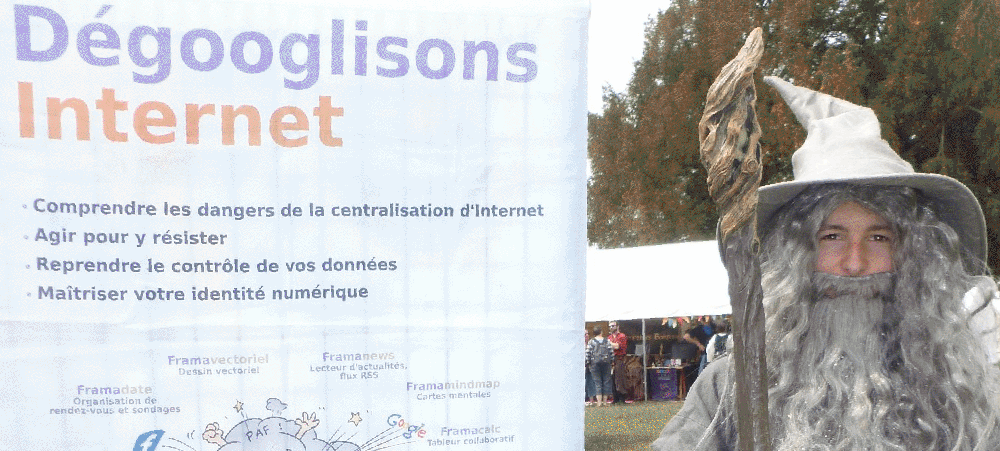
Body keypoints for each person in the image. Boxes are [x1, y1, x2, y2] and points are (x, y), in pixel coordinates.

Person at [652, 77, 1000, 450]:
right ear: (793, 255)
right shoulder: (729, 390)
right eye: (832, 237)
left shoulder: (960, 390)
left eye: (879, 238)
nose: (855, 263)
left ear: (912, 255)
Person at [587, 326, 614, 407]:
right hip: (606, 363)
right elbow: (611, 352)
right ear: (601, 332)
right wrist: (612, 361)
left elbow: (588, 353)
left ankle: (599, 402)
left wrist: (588, 362)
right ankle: (605, 402)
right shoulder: (607, 341)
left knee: (597, 382)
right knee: (606, 381)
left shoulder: (591, 341)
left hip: (595, 364)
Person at [607, 320, 630, 403]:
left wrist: (609, 343)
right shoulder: (609, 337)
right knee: (612, 379)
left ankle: (622, 398)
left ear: (617, 326)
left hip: (619, 359)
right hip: (611, 359)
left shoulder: (622, 336)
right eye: (610, 326)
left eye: (613, 326)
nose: (611, 327)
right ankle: (615, 398)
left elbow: (617, 346)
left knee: (620, 379)